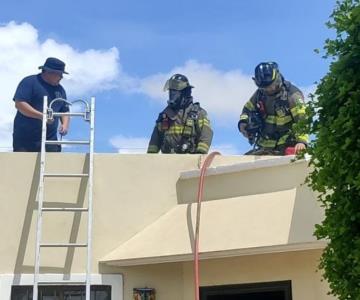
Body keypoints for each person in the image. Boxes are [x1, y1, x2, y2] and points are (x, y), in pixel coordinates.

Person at [238, 62, 308, 155]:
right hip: (265, 146)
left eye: (271, 85)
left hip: (287, 144)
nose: (268, 90)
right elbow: (247, 110)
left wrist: (301, 142)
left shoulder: (293, 95)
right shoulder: (259, 94)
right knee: (244, 162)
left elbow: (302, 120)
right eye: (264, 88)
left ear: (278, 77)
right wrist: (243, 124)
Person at [12, 57, 70, 152]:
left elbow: (64, 110)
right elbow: (20, 104)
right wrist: (42, 116)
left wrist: (65, 124)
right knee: (24, 166)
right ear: (49, 72)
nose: (61, 77)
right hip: (25, 140)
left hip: (50, 141)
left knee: (52, 166)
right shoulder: (30, 82)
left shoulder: (60, 90)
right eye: (59, 74)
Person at [147, 74, 213, 154]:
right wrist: (149, 159)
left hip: (190, 162)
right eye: (171, 91)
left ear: (185, 92)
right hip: (166, 162)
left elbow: (206, 135)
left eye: (175, 91)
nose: (172, 94)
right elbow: (155, 141)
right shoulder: (164, 116)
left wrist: (199, 156)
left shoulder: (198, 113)